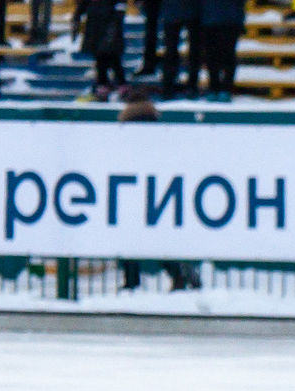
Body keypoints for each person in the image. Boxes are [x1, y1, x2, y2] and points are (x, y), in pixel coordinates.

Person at [115, 87, 204, 291]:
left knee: (129, 233)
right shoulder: (158, 128)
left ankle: (132, 280)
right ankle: (180, 274)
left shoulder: (126, 131)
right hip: (160, 190)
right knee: (160, 237)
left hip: (132, 190)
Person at [76, 0, 128, 100]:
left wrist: (118, 15)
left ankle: (121, 84)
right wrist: (78, 14)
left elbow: (121, 5)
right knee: (99, 54)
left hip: (110, 19)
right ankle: (103, 84)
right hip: (94, 19)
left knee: (112, 54)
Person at [199, 0, 243, 101]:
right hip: (209, 19)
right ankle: (214, 87)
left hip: (230, 20)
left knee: (228, 55)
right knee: (211, 56)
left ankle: (226, 88)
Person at [159, 0, 203, 99]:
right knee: (171, 50)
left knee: (193, 51)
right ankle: (168, 86)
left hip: (192, 10)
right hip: (173, 10)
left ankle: (191, 86)